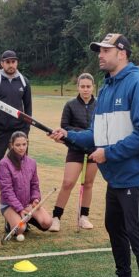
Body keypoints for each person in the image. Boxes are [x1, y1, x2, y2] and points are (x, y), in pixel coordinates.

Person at [50, 33, 139, 277]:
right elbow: (97, 134)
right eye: (99, 50)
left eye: (106, 50)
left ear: (122, 53)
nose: (100, 55)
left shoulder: (138, 84)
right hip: (116, 174)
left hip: (136, 175)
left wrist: (108, 153)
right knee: (114, 226)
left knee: (138, 236)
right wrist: (69, 136)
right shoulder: (108, 86)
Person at [0, 50, 33, 206]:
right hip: (0, 131)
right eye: (8, 62)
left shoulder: (23, 81)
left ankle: (22, 195)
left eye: (13, 62)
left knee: (20, 166)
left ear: (16, 63)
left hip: (18, 132)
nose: (11, 65)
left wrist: (25, 130)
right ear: (2, 63)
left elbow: (28, 107)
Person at [49, 73, 99, 232]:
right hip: (75, 149)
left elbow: (100, 127)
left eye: (88, 86)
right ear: (78, 87)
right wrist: (83, 134)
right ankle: (56, 217)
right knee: (68, 183)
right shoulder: (70, 105)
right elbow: (65, 127)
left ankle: (84, 216)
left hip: (93, 150)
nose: (85, 89)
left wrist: (89, 135)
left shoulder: (99, 105)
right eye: (82, 86)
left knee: (88, 184)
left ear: (93, 87)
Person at [0, 131, 52, 236]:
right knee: (20, 229)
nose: (21, 148)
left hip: (27, 203)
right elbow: (6, 191)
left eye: (24, 144)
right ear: (11, 145)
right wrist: (19, 208)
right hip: (9, 205)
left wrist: (35, 199)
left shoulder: (32, 162)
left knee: (47, 223)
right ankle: (11, 222)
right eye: (18, 145)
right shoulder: (4, 164)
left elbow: (34, 185)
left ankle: (26, 219)